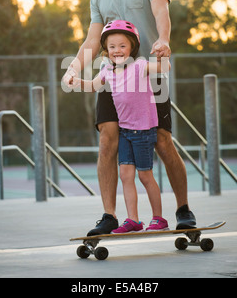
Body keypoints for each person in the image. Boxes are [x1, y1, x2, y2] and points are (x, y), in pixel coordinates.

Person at [63, 0, 196, 235]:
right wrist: (74, 68)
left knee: (163, 142)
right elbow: (93, 41)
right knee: (107, 141)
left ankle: (182, 210)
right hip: (114, 78)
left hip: (149, 74)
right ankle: (109, 215)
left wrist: (163, 39)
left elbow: (161, 14)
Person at [73, 20, 170, 233]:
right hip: (125, 131)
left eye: (122, 46)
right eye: (112, 47)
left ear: (132, 47)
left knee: (145, 176)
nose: (117, 50)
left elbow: (164, 68)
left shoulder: (140, 66)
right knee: (126, 176)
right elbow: (92, 86)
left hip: (144, 131)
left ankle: (159, 218)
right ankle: (133, 220)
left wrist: (163, 52)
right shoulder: (107, 70)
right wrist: (77, 81)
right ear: (106, 51)